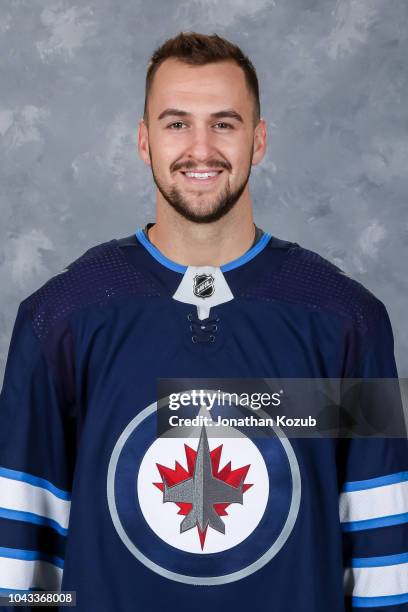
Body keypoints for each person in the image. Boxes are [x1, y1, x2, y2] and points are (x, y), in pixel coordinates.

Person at [0, 31, 407, 612]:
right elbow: (19, 554)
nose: (200, 148)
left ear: (258, 140)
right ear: (144, 142)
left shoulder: (347, 321)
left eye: (224, 123)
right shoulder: (58, 318)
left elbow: (380, 550)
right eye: (175, 123)